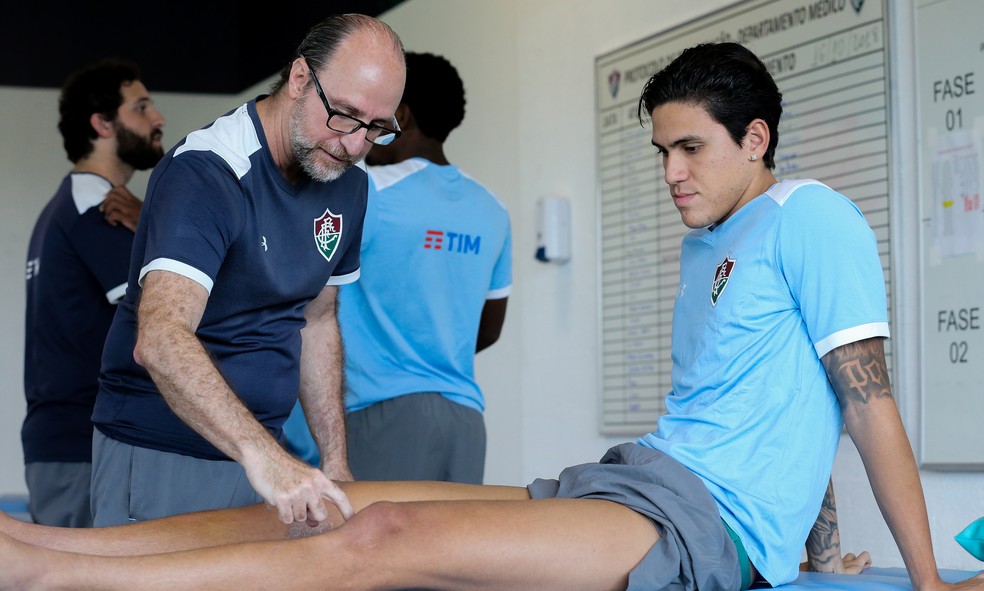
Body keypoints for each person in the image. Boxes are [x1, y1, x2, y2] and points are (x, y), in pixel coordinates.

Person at [1, 41, 980, 591]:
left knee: (383, 542)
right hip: (638, 475)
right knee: (341, 508)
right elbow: (764, 404)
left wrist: (927, 584)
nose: (671, 173)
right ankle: (37, 549)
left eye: (689, 149)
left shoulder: (815, 215)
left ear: (756, 137)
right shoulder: (710, 244)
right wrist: (814, 547)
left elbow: (865, 406)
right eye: (659, 152)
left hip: (699, 527)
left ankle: (52, 580)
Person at [87, 14, 406, 528]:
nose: (353, 144)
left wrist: (334, 460)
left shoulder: (349, 180)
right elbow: (162, 338)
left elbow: (318, 320)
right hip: (163, 452)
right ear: (300, 78)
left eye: (375, 128)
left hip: (261, 453)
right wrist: (264, 456)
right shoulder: (208, 171)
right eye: (345, 115)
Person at [282, 51, 512, 484]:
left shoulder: (365, 190)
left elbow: (285, 274)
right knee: (450, 554)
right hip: (465, 421)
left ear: (400, 113)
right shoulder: (492, 209)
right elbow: (489, 329)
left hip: (378, 413)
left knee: (367, 552)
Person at [22, 58, 164, 528]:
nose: (157, 119)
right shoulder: (96, 207)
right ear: (102, 124)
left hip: (68, 445)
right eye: (141, 108)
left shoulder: (65, 206)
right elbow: (165, 320)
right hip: (82, 445)